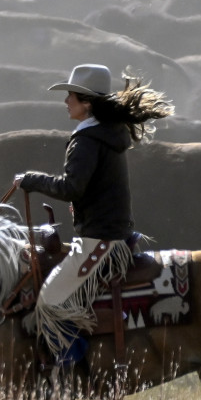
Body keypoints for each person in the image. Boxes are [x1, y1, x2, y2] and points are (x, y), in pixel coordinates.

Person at [14, 63, 173, 367]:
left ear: (86, 103)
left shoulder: (87, 140)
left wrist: (30, 180)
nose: (66, 102)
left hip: (100, 240)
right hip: (112, 233)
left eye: (71, 96)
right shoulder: (107, 134)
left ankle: (70, 369)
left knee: (49, 300)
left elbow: (72, 187)